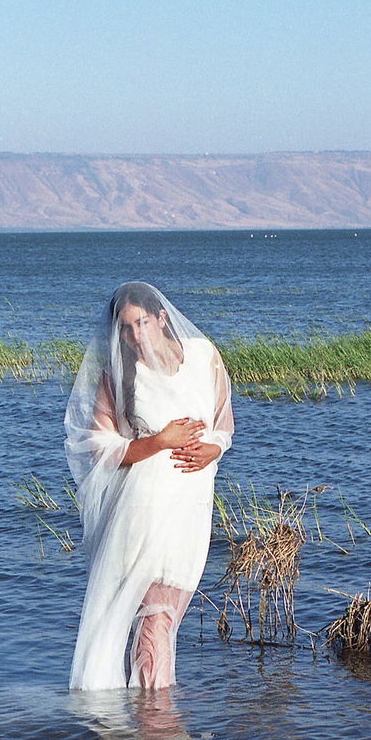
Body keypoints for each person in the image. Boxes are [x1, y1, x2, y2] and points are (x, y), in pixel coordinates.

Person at [65, 282, 234, 690]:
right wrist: (159, 441)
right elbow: (97, 448)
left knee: (166, 620)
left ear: (161, 318)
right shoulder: (121, 377)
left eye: (142, 322)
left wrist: (212, 451)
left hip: (191, 507)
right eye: (126, 328)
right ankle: (158, 729)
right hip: (145, 509)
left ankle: (148, 724)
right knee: (155, 618)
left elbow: (223, 425)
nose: (136, 336)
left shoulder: (204, 357)